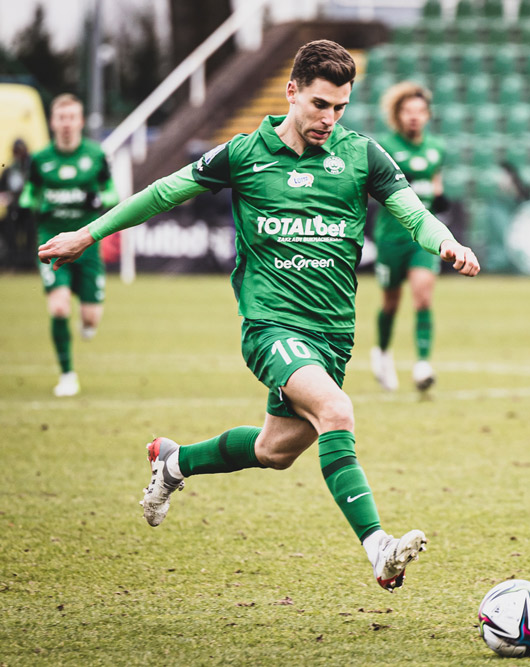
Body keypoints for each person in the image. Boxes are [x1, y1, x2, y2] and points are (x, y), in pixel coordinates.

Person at [38, 40, 480, 591]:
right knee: (336, 411)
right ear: (291, 92)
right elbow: (164, 193)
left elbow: (413, 213)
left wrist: (447, 242)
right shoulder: (245, 154)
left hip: (332, 333)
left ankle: (174, 462)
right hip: (271, 326)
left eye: (340, 107)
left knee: (276, 451)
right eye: (320, 104)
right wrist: (89, 233)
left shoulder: (361, 155)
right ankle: (378, 547)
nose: (329, 118)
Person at [20, 95, 119, 397]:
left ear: (81, 121)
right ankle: (67, 375)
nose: (66, 124)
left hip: (87, 245)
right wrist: (33, 204)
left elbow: (113, 193)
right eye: (61, 118)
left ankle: (87, 321)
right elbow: (29, 193)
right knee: (59, 307)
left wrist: (98, 200)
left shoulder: (96, 155)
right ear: (53, 122)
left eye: (71, 117)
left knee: (90, 319)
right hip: (51, 243)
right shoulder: (40, 159)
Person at [369, 82, 449, 393]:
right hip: (391, 237)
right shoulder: (385, 148)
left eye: (420, 111)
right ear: (398, 115)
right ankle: (382, 353)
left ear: (428, 115)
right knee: (391, 302)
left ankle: (423, 364)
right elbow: (375, 190)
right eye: (407, 111)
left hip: (422, 238)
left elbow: (436, 183)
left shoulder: (436, 148)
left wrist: (439, 196)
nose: (414, 117)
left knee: (423, 296)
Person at [0, 138, 35, 269]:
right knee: (11, 237)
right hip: (13, 209)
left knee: (30, 237)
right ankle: (13, 263)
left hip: (28, 209)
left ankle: (29, 263)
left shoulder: (30, 169)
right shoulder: (9, 170)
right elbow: (2, 189)